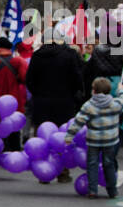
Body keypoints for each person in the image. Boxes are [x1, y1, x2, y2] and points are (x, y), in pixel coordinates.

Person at [25, 34, 84, 182]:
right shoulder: (69, 55)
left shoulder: (37, 56)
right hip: (65, 102)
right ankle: (63, 171)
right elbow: (77, 79)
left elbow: (30, 80)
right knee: (62, 137)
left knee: (42, 136)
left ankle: (43, 172)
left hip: (42, 102)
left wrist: (38, 94)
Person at [66, 77, 123, 199]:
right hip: (110, 140)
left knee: (92, 164)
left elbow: (78, 122)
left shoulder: (89, 105)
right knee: (109, 164)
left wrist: (69, 136)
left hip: (93, 141)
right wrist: (121, 90)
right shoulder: (114, 104)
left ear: (94, 91)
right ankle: (112, 190)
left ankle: (93, 190)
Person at [0, 38, 28, 151]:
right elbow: (24, 78)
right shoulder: (17, 61)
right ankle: (15, 147)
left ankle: (0, 147)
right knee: (14, 123)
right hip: (14, 97)